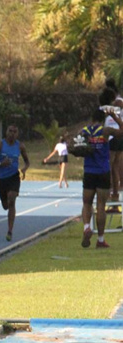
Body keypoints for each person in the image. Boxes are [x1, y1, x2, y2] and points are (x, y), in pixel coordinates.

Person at [79, 106, 123, 248]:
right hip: (103, 172)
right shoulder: (105, 131)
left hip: (89, 171)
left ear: (92, 118)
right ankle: (101, 239)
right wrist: (115, 118)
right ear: (103, 120)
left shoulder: (84, 131)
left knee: (86, 203)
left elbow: (75, 145)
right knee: (101, 206)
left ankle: (86, 227)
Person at [0, 124, 30, 242]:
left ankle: (10, 231)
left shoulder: (20, 146)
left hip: (14, 177)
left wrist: (24, 169)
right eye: (10, 131)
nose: (12, 133)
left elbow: (27, 162)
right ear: (6, 132)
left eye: (14, 132)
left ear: (17, 134)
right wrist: (0, 164)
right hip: (1, 179)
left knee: (12, 200)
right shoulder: (0, 145)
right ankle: (5, 202)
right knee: (5, 205)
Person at [103, 80, 123, 203]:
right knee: (115, 166)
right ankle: (114, 193)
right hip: (118, 135)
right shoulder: (116, 103)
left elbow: (119, 103)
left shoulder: (116, 103)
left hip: (113, 136)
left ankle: (110, 191)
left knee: (110, 166)